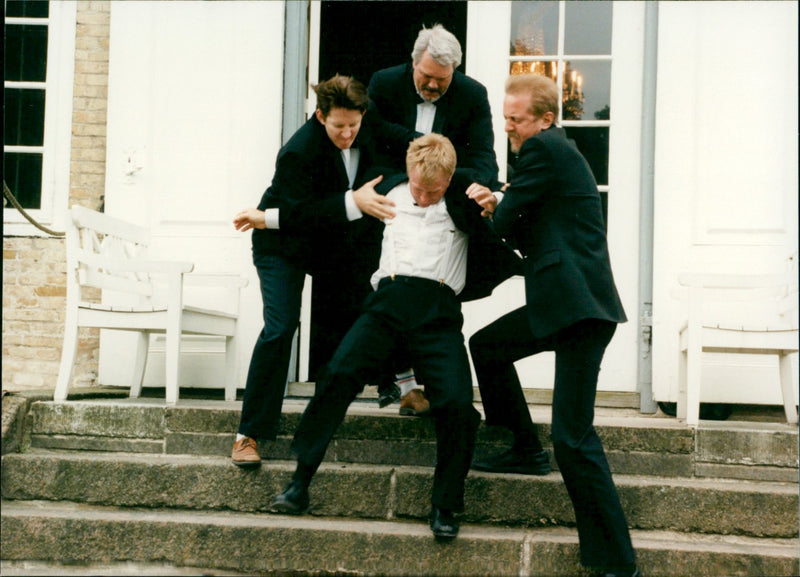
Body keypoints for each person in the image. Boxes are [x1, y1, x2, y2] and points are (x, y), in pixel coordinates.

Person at [269, 133, 521, 541]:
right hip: (386, 302)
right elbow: (329, 215)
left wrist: (497, 201)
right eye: (418, 187)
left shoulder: (464, 202)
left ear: (450, 180)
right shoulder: (383, 193)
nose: (423, 196)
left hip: (437, 307)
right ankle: (299, 482)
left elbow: (505, 218)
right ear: (408, 173)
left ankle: (445, 505)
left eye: (433, 190)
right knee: (336, 375)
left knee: (457, 402)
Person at [464, 74, 640, 577]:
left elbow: (506, 225)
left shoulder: (544, 150)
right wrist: (506, 203)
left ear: (544, 119)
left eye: (516, 120)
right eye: (506, 119)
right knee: (490, 346)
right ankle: (523, 447)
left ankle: (618, 563)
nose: (510, 129)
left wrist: (492, 203)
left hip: (576, 310)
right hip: (564, 305)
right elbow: (529, 225)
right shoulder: (555, 156)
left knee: (573, 438)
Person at [231, 75, 414, 469]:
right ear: (319, 116)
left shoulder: (366, 123)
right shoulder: (298, 150)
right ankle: (249, 433)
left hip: (333, 242)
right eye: (338, 126)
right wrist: (353, 201)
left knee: (378, 295)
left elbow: (408, 144)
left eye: (354, 125)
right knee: (281, 327)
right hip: (284, 243)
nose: (348, 134)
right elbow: (302, 215)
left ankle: (401, 383)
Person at [367, 23, 500, 413]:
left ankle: (444, 389)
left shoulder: (472, 93)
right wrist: (421, 157)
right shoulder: (385, 82)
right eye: (426, 77)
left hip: (445, 197)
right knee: (389, 290)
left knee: (438, 296)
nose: (433, 86)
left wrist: (461, 186)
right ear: (413, 63)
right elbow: (371, 139)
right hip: (393, 193)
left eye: (442, 80)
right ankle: (404, 383)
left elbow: (484, 156)